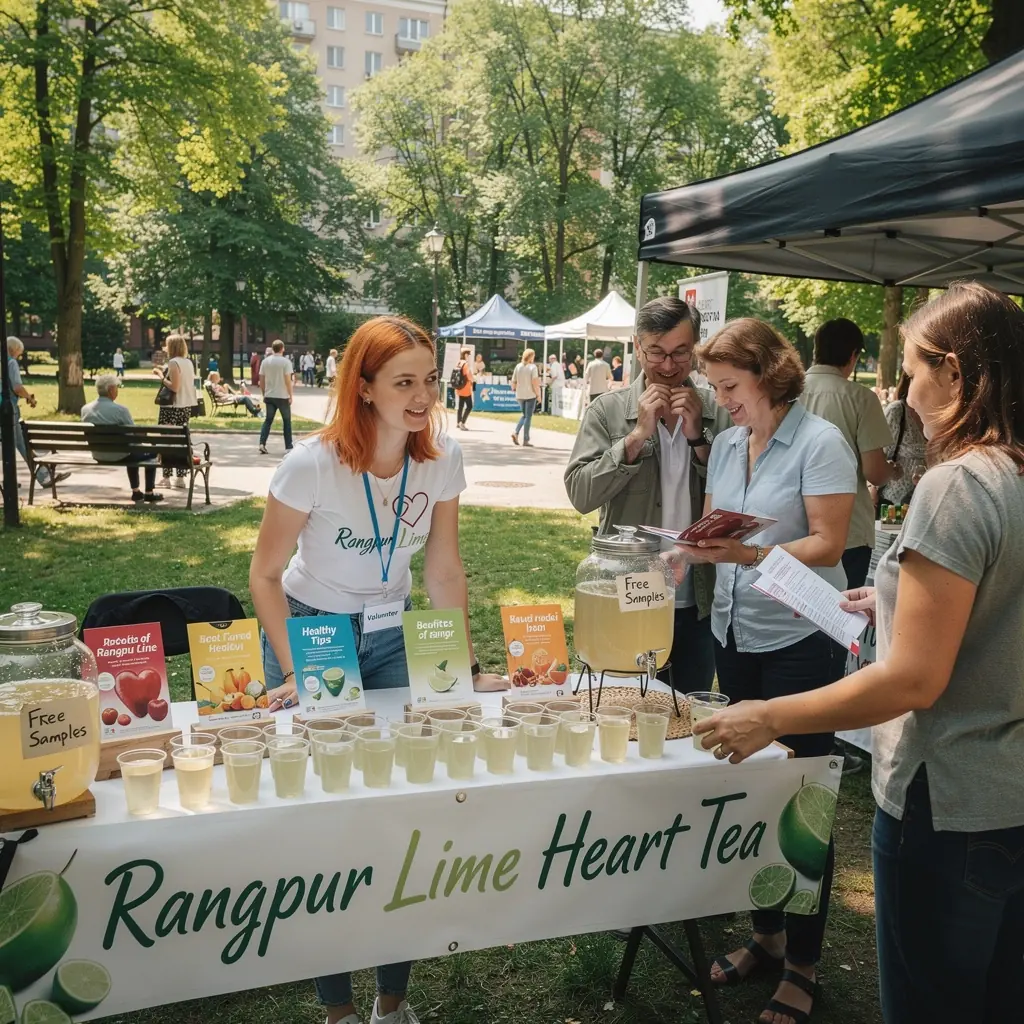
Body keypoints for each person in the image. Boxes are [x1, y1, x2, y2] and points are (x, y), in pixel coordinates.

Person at [694, 283, 1024, 1024]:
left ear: (958, 375)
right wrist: (899, 600)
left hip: (947, 797)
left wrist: (771, 716)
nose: (903, 394)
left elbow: (914, 677)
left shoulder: (960, 484)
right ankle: (768, 937)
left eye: (911, 371)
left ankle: (799, 962)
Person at [250, 315, 508, 1024]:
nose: (423, 395)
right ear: (363, 388)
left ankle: (390, 1005)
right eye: (404, 382)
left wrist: (460, 664)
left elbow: (445, 571)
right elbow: (266, 575)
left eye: (429, 379)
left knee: (406, 809)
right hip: (314, 630)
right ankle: (336, 1010)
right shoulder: (311, 464)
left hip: (395, 637)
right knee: (328, 820)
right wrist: (301, 666)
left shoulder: (441, 459)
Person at [663, 317, 857, 1024]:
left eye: (729, 386)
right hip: (735, 631)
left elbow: (830, 541)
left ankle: (803, 964)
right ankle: (765, 937)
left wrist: (744, 556)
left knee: (802, 798)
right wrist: (693, 546)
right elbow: (719, 524)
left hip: (802, 641)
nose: (721, 401)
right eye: (714, 388)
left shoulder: (821, 441)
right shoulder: (733, 444)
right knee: (748, 790)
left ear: (769, 376)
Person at [565, 297, 729, 693]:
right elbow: (581, 493)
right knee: (620, 710)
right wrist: (636, 437)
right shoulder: (608, 411)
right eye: (656, 352)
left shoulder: (719, 409)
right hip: (626, 594)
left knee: (685, 713)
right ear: (637, 347)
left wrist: (698, 440)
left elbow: (739, 498)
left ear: (695, 348)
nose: (669, 366)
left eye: (680, 353)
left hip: (698, 596)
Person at [801, 318, 896, 592]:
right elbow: (874, 472)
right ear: (853, 355)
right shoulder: (861, 398)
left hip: (794, 525)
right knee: (841, 616)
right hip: (847, 529)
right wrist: (892, 470)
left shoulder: (787, 393)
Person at [81, 375, 162, 503]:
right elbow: (134, 436)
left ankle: (136, 492)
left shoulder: (85, 409)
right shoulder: (121, 410)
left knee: (132, 449)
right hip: (121, 454)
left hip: (97, 454)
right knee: (150, 452)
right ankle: (148, 492)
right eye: (117, 388)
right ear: (111, 390)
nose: (117, 390)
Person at [3, 336, 69, 490]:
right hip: (8, 410)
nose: (19, 356)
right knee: (21, 445)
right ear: (13, 350)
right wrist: (29, 398)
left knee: (19, 445)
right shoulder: (11, 363)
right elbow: (17, 387)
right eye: (19, 353)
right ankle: (42, 477)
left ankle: (41, 476)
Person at [877, 371, 926, 510]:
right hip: (894, 501)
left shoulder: (932, 414)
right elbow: (880, 453)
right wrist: (873, 489)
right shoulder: (897, 410)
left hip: (923, 499)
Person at [152, 334, 197, 487]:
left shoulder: (173, 362)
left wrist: (160, 376)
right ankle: (181, 477)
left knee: (167, 441)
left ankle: (166, 477)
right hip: (185, 406)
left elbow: (174, 387)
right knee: (182, 442)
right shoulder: (188, 363)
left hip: (172, 407)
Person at [259, 340, 294, 455]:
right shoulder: (286, 362)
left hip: (270, 394)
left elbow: (262, 379)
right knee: (286, 421)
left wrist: (264, 393)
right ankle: (288, 446)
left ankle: (262, 443)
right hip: (282, 395)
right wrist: (290, 394)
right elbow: (287, 380)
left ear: (273, 349)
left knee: (268, 420)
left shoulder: (265, 362)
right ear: (282, 348)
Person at [510, 348, 541, 446]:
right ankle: (526, 439)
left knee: (524, 415)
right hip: (530, 394)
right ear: (531, 357)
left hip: (520, 394)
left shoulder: (518, 366)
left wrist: (514, 389)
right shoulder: (533, 367)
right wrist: (538, 395)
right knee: (528, 417)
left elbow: (513, 382)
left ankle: (516, 432)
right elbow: (535, 382)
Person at [454, 346, 474, 430]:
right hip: (466, 389)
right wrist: (473, 379)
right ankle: (462, 422)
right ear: (465, 355)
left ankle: (458, 422)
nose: (468, 356)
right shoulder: (465, 364)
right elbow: (469, 376)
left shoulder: (458, 363)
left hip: (459, 388)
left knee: (460, 406)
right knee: (469, 406)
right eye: (468, 355)